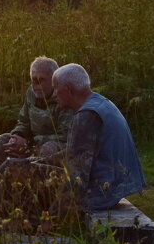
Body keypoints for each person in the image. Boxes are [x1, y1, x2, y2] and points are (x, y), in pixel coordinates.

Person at [49, 63, 146, 210]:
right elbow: (80, 152)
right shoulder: (101, 103)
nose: (53, 94)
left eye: (56, 88)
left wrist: (52, 216)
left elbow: (77, 175)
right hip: (115, 187)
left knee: (23, 173)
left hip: (101, 193)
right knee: (37, 162)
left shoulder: (86, 116)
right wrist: (45, 159)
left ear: (68, 89)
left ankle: (18, 224)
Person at [0, 56, 72, 169]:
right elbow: (23, 121)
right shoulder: (31, 93)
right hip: (33, 143)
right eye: (33, 79)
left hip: (59, 148)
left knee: (48, 148)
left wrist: (30, 142)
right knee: (3, 141)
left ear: (54, 79)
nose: (35, 85)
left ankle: (44, 184)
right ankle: (0, 181)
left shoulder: (64, 98)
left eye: (41, 80)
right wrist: (17, 136)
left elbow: (66, 136)